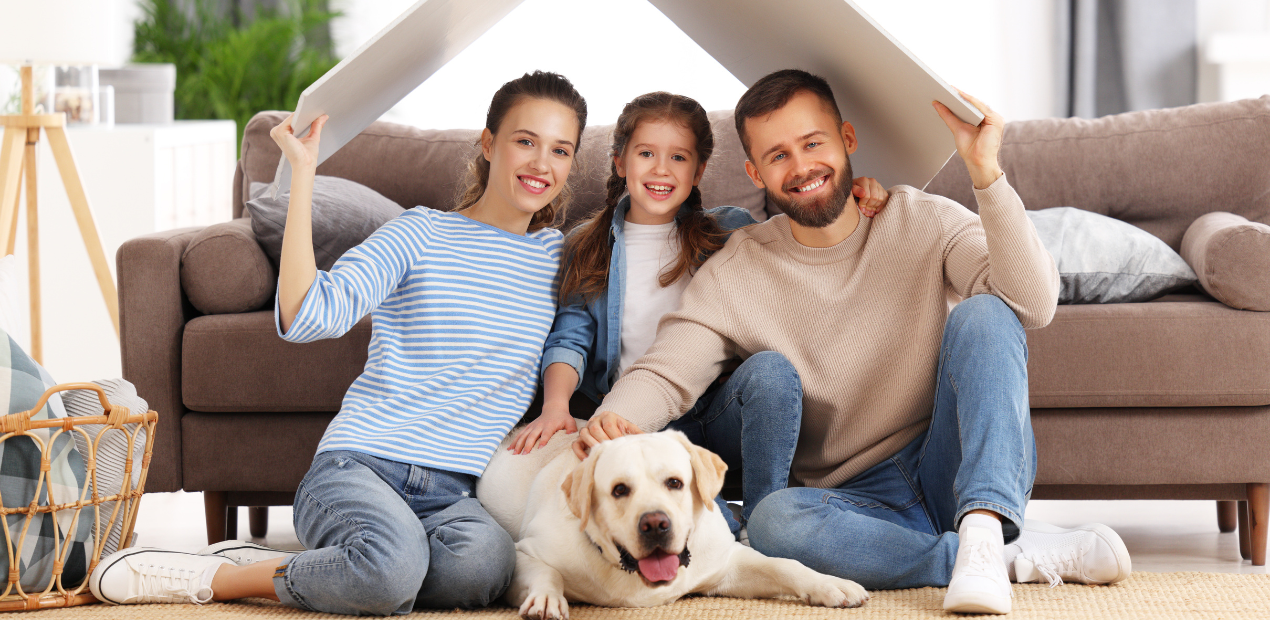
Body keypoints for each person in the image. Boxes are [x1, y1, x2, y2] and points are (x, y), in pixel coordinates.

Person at [572, 69, 1131, 615]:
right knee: (771, 522)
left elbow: (1032, 303)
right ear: (756, 172)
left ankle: (984, 528)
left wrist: (986, 172)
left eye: (813, 143)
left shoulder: (922, 219)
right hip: (849, 503)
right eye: (778, 155)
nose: (801, 167)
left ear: (847, 139)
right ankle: (996, 558)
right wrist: (609, 425)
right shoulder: (735, 269)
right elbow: (669, 370)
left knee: (987, 313)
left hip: (946, 461)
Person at [89, 71, 588, 615]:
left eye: (560, 150)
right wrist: (303, 176)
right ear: (489, 144)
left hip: (456, 493)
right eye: (525, 141)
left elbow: (575, 334)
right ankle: (222, 575)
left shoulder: (558, 258)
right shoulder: (419, 233)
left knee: (483, 570)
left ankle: (370, 565)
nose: (542, 163)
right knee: (391, 571)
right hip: (361, 466)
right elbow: (308, 315)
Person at [510, 91, 889, 539]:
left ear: (699, 171)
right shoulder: (585, 244)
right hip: (642, 423)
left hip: (720, 411)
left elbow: (805, 225)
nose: (661, 169)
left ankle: (769, 514)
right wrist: (555, 406)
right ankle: (726, 523)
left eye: (679, 157)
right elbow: (569, 339)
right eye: (646, 153)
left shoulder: (729, 230)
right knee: (709, 530)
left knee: (770, 370)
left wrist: (856, 192)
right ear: (619, 162)